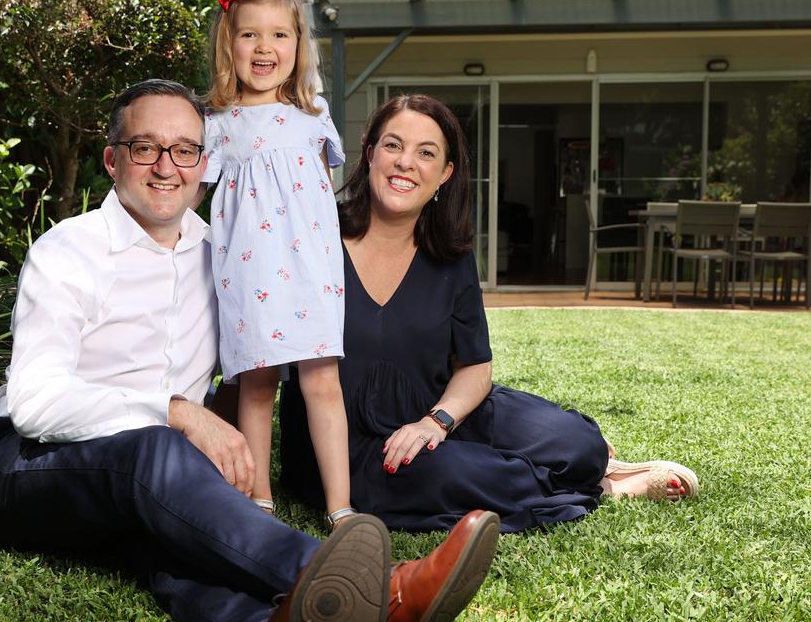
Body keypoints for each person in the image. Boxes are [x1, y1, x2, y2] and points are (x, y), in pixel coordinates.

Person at [0, 80, 503, 622]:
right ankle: (382, 590)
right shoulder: (68, 251)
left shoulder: (225, 257)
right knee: (159, 451)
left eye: (184, 151)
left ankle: (279, 616)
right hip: (25, 468)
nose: (165, 167)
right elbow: (36, 403)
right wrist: (178, 415)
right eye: (144, 148)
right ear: (112, 160)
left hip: (143, 484)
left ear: (206, 162)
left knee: (181, 545)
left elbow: (252, 371)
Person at [279, 94, 699, 533]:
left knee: (577, 443)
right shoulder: (317, 236)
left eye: (426, 153)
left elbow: (475, 368)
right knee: (457, 476)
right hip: (356, 443)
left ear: (445, 175)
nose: (406, 163)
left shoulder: (450, 257)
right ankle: (606, 487)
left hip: (439, 409)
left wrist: (435, 422)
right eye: (393, 145)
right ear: (369, 155)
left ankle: (592, 465)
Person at [201, 0, 353, 524]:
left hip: (311, 268)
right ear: (229, 42)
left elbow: (320, 194)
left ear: (298, 44)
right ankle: (259, 500)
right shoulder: (217, 123)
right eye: (249, 35)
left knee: (322, 381)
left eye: (279, 35)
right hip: (250, 272)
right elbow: (195, 197)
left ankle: (342, 507)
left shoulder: (314, 113)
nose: (265, 48)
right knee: (258, 383)